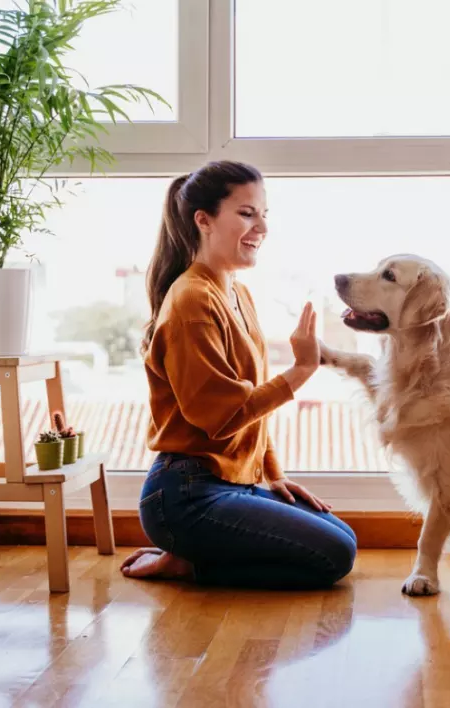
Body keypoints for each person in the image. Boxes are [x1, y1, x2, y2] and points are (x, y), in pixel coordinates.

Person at [120, 160, 357, 590]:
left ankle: (194, 556)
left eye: (264, 215)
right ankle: (187, 564)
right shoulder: (191, 301)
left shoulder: (236, 292)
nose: (261, 227)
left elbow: (251, 412)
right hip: (185, 495)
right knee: (334, 556)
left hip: (232, 482)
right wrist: (303, 370)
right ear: (204, 220)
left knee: (343, 537)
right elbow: (222, 416)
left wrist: (273, 473)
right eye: (247, 213)